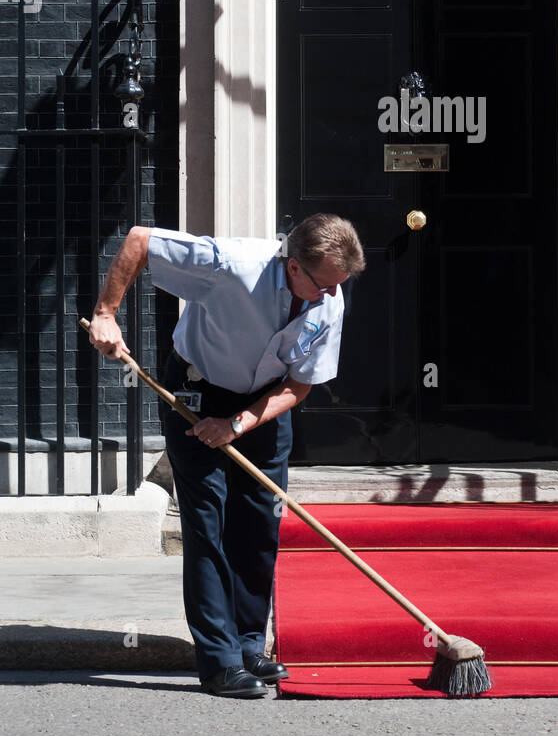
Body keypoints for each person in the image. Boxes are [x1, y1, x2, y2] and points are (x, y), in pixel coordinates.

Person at [87, 214, 366, 698]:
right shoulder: (231, 265)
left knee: (259, 521)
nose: (329, 296)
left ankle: (250, 645)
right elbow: (140, 240)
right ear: (293, 265)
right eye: (322, 285)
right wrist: (107, 312)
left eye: (337, 287)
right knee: (208, 521)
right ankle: (219, 662)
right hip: (195, 393)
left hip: (262, 406)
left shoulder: (330, 298)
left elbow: (299, 385)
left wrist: (236, 425)